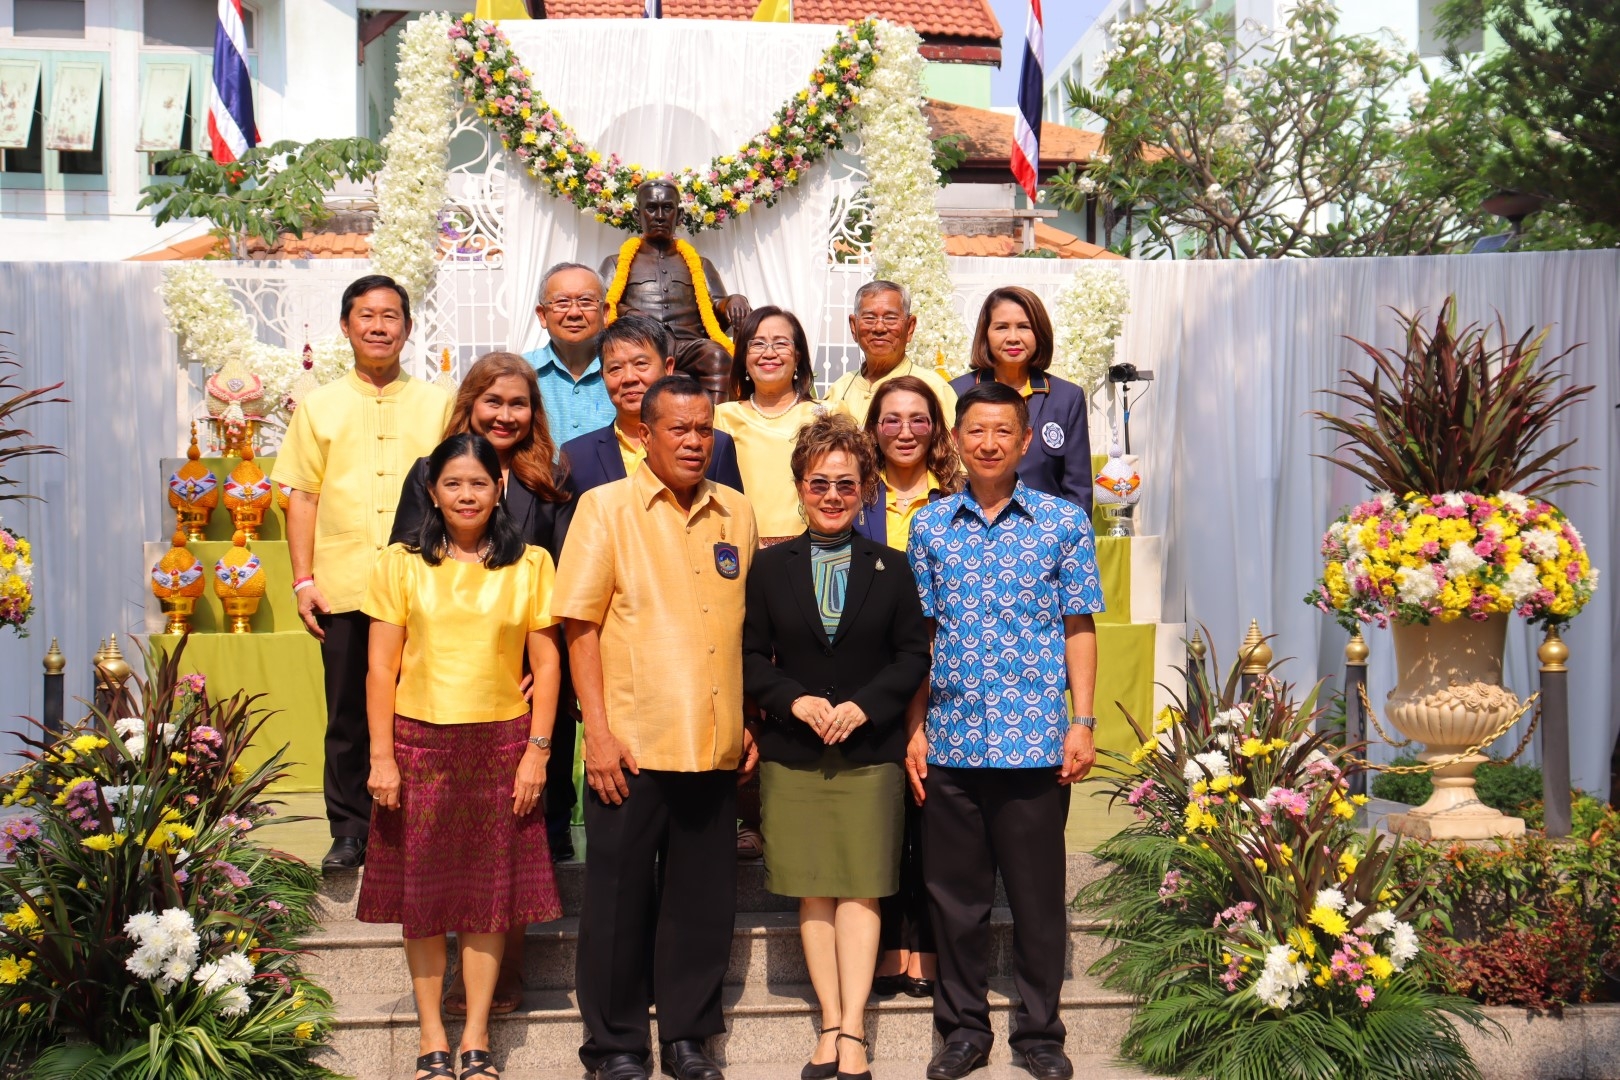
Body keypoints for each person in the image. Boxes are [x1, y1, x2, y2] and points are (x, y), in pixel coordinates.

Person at [553, 375, 760, 1080]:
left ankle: (687, 1038)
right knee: (616, 901)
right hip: (632, 745)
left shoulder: (736, 511)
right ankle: (613, 1044)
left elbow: (743, 628)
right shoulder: (604, 508)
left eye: (704, 428)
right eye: (679, 429)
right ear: (644, 434)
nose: (695, 441)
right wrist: (598, 731)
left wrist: (747, 719)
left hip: (714, 739)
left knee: (702, 902)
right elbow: (579, 627)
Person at [905, 381, 1104, 1080]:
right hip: (951, 742)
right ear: (956, 440)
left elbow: (1079, 626)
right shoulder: (930, 527)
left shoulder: (1062, 522)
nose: (988, 443)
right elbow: (923, 637)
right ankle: (963, 1032)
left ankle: (1040, 1034)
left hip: (1035, 745)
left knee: (1037, 901)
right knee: (954, 904)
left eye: (1002, 432)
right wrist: (915, 728)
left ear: (1024, 442)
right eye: (975, 431)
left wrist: (1082, 721)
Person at [357, 432, 564, 1080]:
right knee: (422, 903)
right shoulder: (399, 564)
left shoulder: (530, 565)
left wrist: (537, 754)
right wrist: (382, 757)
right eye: (453, 484)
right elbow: (380, 668)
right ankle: (431, 1038)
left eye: (478, 483)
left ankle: (475, 1037)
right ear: (432, 491)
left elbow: (547, 665)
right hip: (418, 746)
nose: (466, 495)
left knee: (487, 900)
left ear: (499, 489)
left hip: (502, 747)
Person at [743, 413, 931, 1080]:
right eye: (818, 482)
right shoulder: (769, 568)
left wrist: (864, 706)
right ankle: (828, 1022)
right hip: (795, 753)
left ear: (866, 489)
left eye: (845, 484)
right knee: (814, 893)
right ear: (799, 486)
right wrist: (792, 700)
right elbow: (749, 656)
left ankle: (854, 1032)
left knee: (861, 891)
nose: (831, 495)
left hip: (869, 753)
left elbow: (912, 656)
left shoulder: (894, 568)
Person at [390, 351, 575, 1018]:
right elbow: (413, 576)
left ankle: (507, 971)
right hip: (442, 691)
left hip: (523, 687)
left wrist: (534, 666)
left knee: (510, 844)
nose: (504, 414)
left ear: (534, 412)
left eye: (518, 403)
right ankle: (448, 975)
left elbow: (562, 578)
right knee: (440, 844)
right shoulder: (430, 470)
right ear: (469, 404)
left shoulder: (551, 477)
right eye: (492, 401)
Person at [272, 273, 452, 872]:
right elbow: (302, 496)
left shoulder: (439, 404)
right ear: (347, 326)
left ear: (408, 327)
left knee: (425, 708)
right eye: (367, 316)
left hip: (424, 581)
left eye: (390, 316)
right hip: (344, 584)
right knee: (348, 712)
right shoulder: (319, 407)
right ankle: (350, 829)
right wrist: (303, 580)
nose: (379, 327)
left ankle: (422, 826)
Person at [852, 376, 963, 1001]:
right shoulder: (853, 495)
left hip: (944, 672)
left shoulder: (958, 497)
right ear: (873, 428)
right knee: (881, 815)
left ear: (936, 429)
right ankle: (888, 940)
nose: (904, 431)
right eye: (890, 419)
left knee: (932, 815)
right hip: (871, 674)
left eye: (918, 419)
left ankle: (927, 944)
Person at [558, 315, 743, 520]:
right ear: (603, 376)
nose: (629, 378)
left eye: (641, 364)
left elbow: (732, 521)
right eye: (615, 368)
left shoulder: (712, 446)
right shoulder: (578, 455)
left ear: (668, 367)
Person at [600, 179, 751, 401]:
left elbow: (718, 306)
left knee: (717, 356)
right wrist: (630, 313)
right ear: (637, 215)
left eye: (667, 208)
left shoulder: (700, 264)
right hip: (641, 345)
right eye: (652, 208)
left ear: (679, 216)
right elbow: (601, 306)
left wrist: (734, 300)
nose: (660, 216)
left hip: (688, 346)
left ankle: (715, 420)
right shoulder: (616, 262)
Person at [950, 287, 1093, 515]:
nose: (1013, 338)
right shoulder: (956, 392)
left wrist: (1071, 532)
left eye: (1024, 327)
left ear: (1040, 333)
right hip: (971, 528)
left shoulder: (1066, 397)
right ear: (985, 334)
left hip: (1047, 530)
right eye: (1001, 327)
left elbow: (1078, 489)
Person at [714, 306, 831, 545]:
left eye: (780, 343)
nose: (769, 353)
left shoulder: (827, 415)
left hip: (813, 550)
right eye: (757, 344)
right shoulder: (723, 416)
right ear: (744, 357)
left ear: (798, 356)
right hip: (744, 548)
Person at [823, 281, 957, 429]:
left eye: (890, 318)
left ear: (910, 327)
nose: (879, 328)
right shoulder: (840, 388)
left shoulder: (934, 388)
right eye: (869, 318)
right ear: (853, 326)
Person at [523, 262, 617, 443]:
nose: (574, 313)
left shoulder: (627, 375)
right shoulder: (520, 372)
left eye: (586, 301)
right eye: (562, 302)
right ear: (542, 315)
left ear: (605, 313)